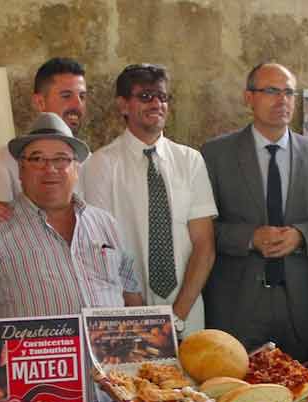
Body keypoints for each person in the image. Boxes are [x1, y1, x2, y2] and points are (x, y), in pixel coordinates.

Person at [0, 112, 144, 319]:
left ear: (76, 169)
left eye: (61, 159)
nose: (50, 169)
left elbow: (133, 300)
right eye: (37, 159)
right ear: (20, 171)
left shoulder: (106, 224)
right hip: (26, 352)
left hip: (110, 351)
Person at [201, 63, 308, 358]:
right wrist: (250, 237)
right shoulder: (215, 155)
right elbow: (203, 228)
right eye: (271, 91)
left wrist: (301, 235)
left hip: (296, 302)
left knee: (301, 390)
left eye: (288, 92)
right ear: (249, 97)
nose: (282, 100)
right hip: (238, 301)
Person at [80, 63, 217, 338]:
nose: (156, 103)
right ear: (123, 105)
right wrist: (141, 319)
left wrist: (177, 316)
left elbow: (204, 245)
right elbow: (102, 248)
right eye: (145, 96)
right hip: (125, 317)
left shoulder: (190, 161)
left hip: (186, 314)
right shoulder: (100, 164)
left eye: (163, 97)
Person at [0, 57, 89, 252]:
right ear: (40, 102)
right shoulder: (3, 161)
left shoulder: (92, 163)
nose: (77, 105)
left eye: (82, 96)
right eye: (66, 96)